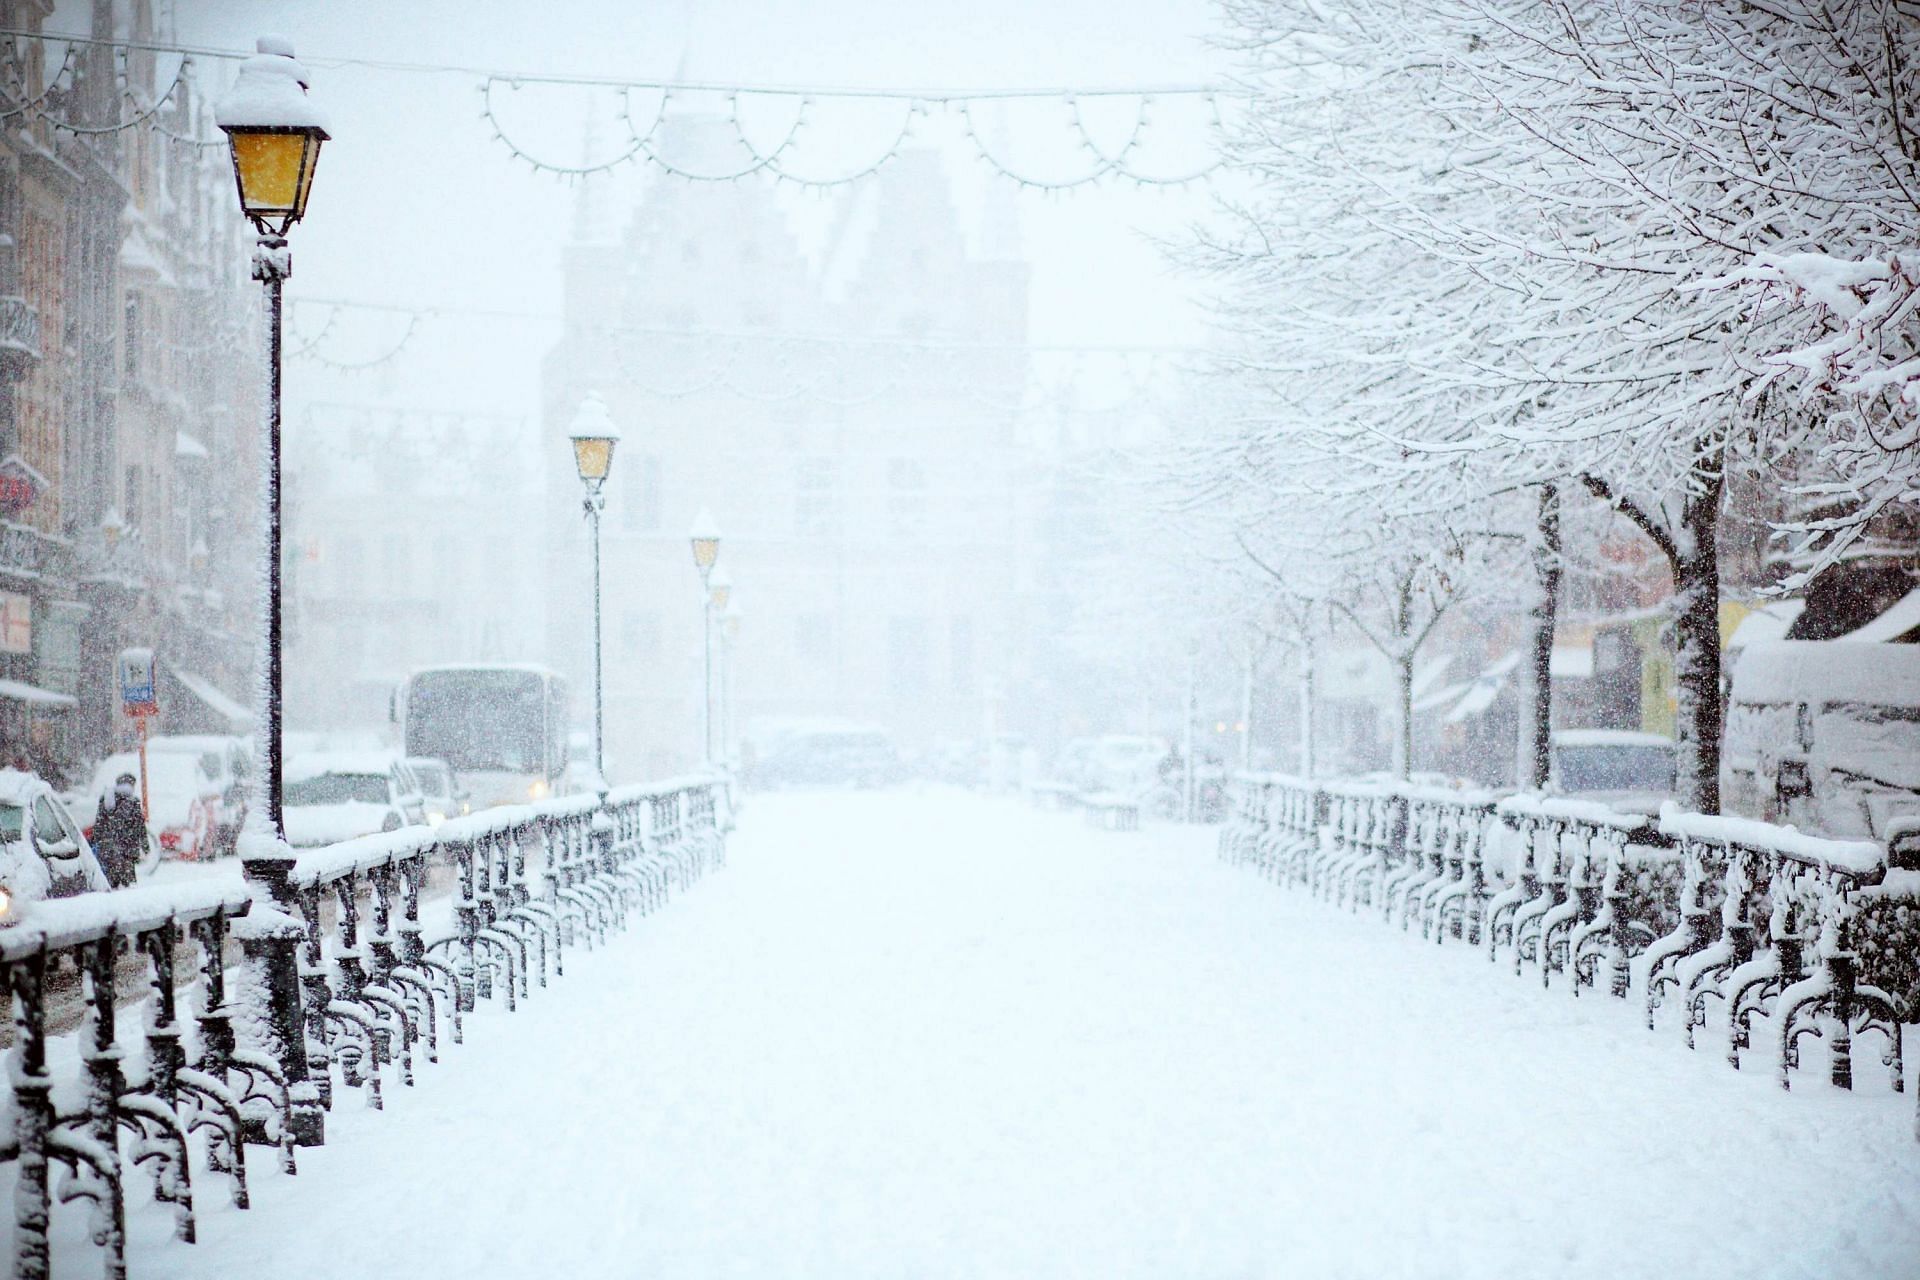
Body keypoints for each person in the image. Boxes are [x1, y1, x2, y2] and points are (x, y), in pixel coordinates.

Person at [93, 773, 146, 889]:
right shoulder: (133, 801)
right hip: (128, 850)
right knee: (129, 884)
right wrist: (144, 845)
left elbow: (99, 822)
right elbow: (139, 825)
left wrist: (96, 840)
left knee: (111, 881)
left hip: (109, 849)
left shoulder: (106, 799)